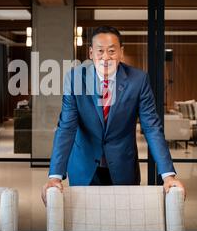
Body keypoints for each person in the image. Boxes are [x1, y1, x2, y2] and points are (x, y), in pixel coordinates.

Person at [41, 26, 185, 205]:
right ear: (91, 53)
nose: (106, 57)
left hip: (123, 167)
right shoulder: (75, 78)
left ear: (121, 52)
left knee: (123, 220)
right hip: (84, 166)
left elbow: (151, 127)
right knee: (86, 222)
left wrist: (168, 175)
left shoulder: (138, 80)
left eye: (111, 51)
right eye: (100, 51)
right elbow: (66, 127)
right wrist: (55, 176)